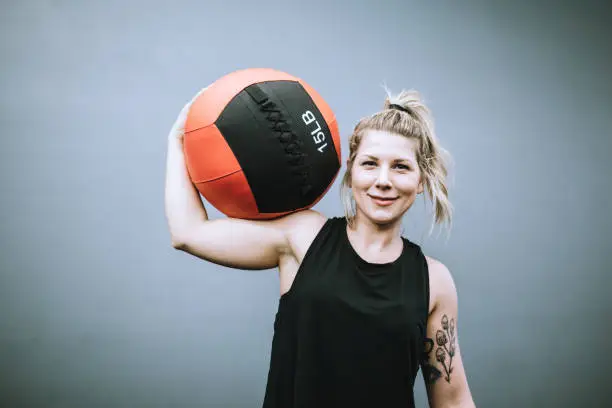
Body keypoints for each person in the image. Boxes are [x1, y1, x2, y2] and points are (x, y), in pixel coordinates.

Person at [165, 86, 476, 408]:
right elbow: (188, 233)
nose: (384, 180)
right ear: (351, 170)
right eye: (370, 163)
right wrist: (177, 142)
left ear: (421, 180)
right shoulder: (304, 237)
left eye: (401, 167)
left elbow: (452, 401)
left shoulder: (434, 281)